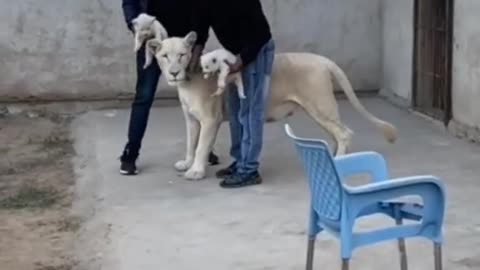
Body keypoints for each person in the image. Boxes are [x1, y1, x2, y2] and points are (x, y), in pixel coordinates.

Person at [120, 0, 219, 175]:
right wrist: (136, 24)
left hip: (183, 45)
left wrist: (198, 44)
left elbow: (201, 8)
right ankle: (130, 155)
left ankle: (202, 153)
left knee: (197, 101)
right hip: (154, 43)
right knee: (144, 96)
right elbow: (129, 2)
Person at [193, 0, 275, 188]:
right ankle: (240, 161)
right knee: (235, 109)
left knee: (250, 111)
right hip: (232, 52)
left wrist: (242, 60)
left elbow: (260, 34)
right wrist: (195, 54)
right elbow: (200, 26)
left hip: (255, 50)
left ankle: (249, 170)